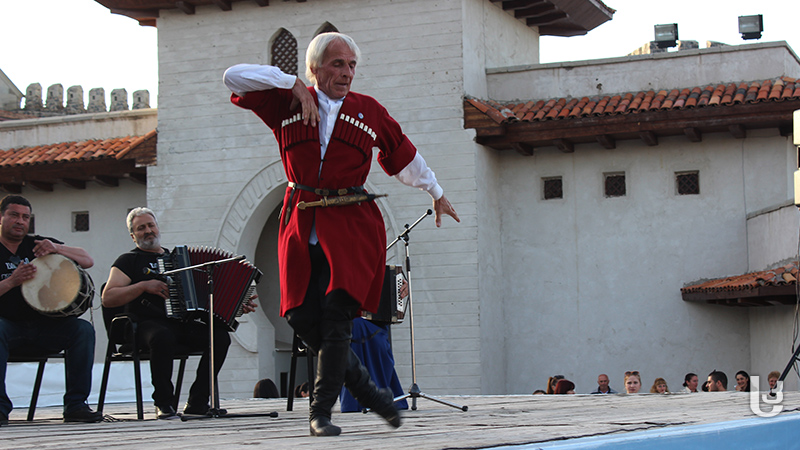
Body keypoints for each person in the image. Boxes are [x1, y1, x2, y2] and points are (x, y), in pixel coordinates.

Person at [223, 32, 459, 436]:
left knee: (337, 319)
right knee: (299, 314)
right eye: (337, 64)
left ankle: (320, 413)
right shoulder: (286, 103)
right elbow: (233, 77)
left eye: (351, 65)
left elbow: (403, 154)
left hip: (351, 225)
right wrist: (290, 83)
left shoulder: (369, 111)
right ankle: (367, 389)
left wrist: (436, 192)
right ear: (314, 69)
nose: (347, 73)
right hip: (300, 221)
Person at [101, 207, 257, 419]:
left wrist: (237, 305)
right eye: (141, 228)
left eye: (150, 225)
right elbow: (108, 297)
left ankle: (198, 402)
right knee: (161, 336)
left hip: (178, 323)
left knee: (219, 337)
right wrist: (143, 286)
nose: (148, 231)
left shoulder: (179, 260)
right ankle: (164, 402)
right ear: (133, 236)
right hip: (142, 324)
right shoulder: (128, 261)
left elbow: (205, 297)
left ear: (157, 228)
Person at [0, 195, 101, 425]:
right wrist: (12, 282)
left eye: (25, 217)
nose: (20, 221)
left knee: (82, 330)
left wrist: (56, 247)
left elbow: (87, 260)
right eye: (14, 215)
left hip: (46, 327)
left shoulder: (38, 244)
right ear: (1, 217)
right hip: (8, 326)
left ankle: (76, 405)